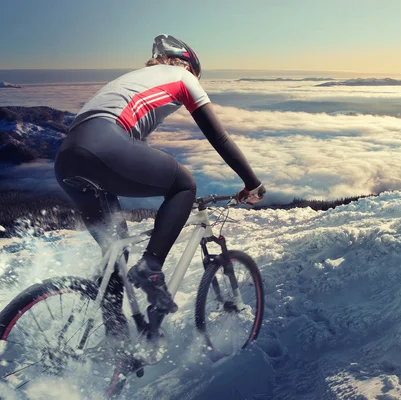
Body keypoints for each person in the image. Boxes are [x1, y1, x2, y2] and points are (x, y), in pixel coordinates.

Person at [54, 34, 265, 335]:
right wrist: (252, 184)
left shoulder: (133, 79)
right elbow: (219, 138)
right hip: (105, 145)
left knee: (115, 253)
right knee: (183, 185)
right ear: (189, 64)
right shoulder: (183, 77)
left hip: (67, 159)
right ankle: (151, 267)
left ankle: (117, 340)